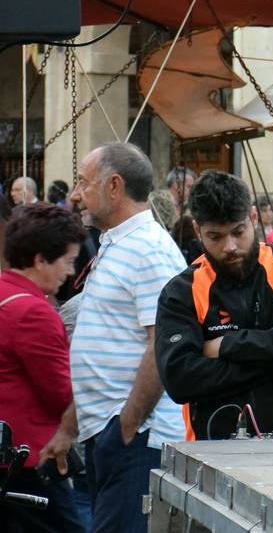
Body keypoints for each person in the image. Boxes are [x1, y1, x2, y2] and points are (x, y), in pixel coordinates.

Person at [155, 171, 273, 440]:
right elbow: (180, 380)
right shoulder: (180, 292)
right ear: (197, 230)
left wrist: (226, 346)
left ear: (253, 218)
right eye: (215, 237)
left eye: (238, 232)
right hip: (213, 449)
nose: (230, 246)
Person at [68, 142, 186, 532]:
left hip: (133, 438)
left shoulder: (149, 249)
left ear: (114, 186)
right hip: (112, 433)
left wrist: (127, 425)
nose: (75, 194)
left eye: (83, 183)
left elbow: (162, 344)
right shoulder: (119, 243)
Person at [0, 204, 86, 532]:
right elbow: (61, 395)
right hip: (30, 461)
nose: (69, 272)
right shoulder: (34, 313)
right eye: (67, 261)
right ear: (40, 259)